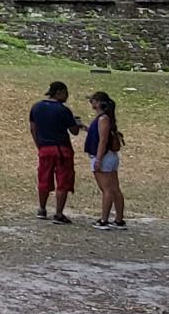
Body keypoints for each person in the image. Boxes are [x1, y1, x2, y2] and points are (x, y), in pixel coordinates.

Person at [29, 81, 82, 223]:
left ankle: (42, 208)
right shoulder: (63, 110)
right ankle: (59, 213)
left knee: (44, 178)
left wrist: (39, 144)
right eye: (66, 93)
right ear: (59, 92)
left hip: (45, 148)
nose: (67, 96)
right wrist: (77, 123)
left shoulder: (36, 107)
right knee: (63, 180)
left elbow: (33, 128)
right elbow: (74, 131)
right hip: (61, 148)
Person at [85, 91, 126, 230]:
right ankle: (119, 219)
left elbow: (103, 140)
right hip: (110, 157)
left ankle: (104, 219)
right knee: (115, 189)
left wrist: (98, 158)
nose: (91, 103)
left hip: (104, 156)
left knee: (107, 190)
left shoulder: (103, 119)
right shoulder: (105, 119)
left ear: (98, 103)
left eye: (93, 101)